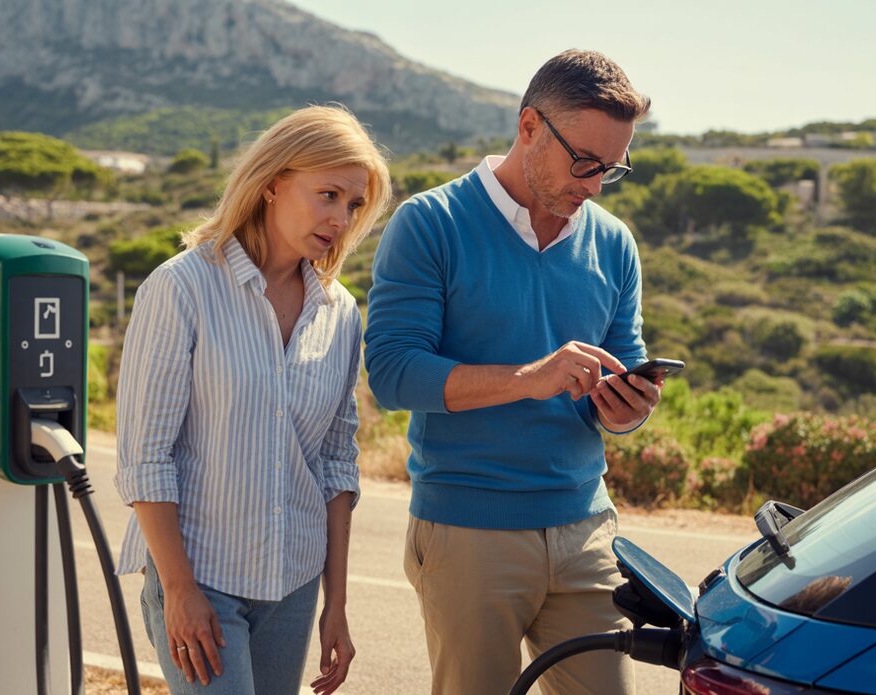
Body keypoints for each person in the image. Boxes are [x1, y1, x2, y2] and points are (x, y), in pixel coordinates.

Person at [364, 49, 659, 695]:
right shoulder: (429, 224)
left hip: (586, 528)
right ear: (529, 126)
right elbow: (390, 373)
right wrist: (529, 377)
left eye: (612, 167)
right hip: (469, 532)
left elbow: (621, 375)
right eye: (585, 161)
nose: (595, 184)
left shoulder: (614, 243)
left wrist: (627, 408)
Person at [113, 105, 392, 695]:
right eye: (327, 194)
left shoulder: (339, 312)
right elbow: (145, 459)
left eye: (354, 205)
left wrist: (334, 605)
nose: (341, 217)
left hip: (292, 583)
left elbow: (337, 465)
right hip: (199, 575)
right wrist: (180, 592)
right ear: (271, 184)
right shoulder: (181, 288)